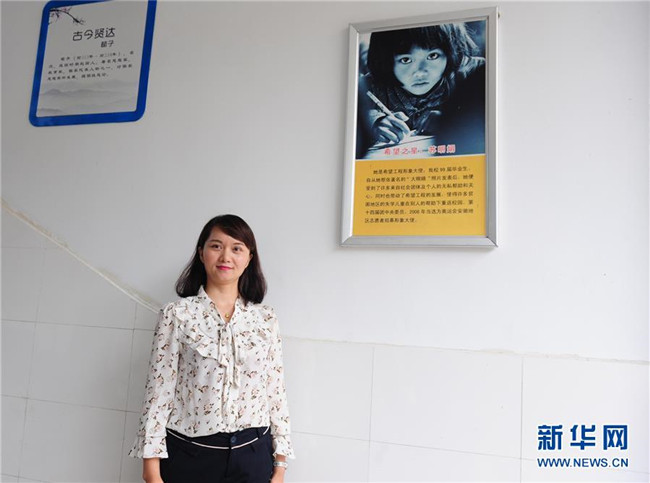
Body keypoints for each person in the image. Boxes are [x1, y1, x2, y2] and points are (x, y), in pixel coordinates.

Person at [129, 214, 294, 483]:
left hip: (253, 455)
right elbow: (158, 393)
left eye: (237, 248)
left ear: (249, 258)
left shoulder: (266, 318)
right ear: (201, 253)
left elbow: (275, 391)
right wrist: (151, 470)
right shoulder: (177, 314)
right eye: (216, 246)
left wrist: (281, 463)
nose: (226, 256)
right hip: (191, 455)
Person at [356, 22, 486, 158]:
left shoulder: (473, 74)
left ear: (451, 51)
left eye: (433, 56)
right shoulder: (368, 86)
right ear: (386, 60)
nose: (420, 73)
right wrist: (372, 121)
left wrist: (452, 121)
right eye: (405, 60)